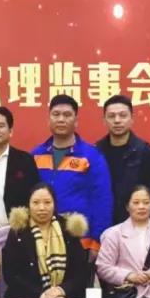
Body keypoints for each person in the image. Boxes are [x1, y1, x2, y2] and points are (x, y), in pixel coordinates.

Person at [30, 95, 112, 254]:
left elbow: (102, 200)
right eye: (56, 114)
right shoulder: (36, 155)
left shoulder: (91, 156)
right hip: (42, 240)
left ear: (76, 121)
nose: (61, 119)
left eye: (67, 115)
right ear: (48, 120)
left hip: (79, 241)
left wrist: (97, 242)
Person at [1, 183, 90, 298]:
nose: (42, 208)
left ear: (54, 204)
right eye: (36, 203)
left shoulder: (68, 229)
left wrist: (61, 290)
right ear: (28, 204)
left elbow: (81, 273)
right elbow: (11, 275)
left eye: (47, 202)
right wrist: (41, 294)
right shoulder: (18, 232)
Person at [96, 94, 150, 224]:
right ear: (104, 120)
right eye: (111, 116)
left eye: (123, 115)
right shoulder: (96, 152)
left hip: (135, 224)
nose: (117, 120)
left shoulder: (145, 151)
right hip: (104, 224)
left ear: (132, 119)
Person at [0, 106, 40, 230]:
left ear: (10, 131)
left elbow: (35, 196)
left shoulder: (25, 160)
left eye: (0, 126)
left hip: (16, 233)